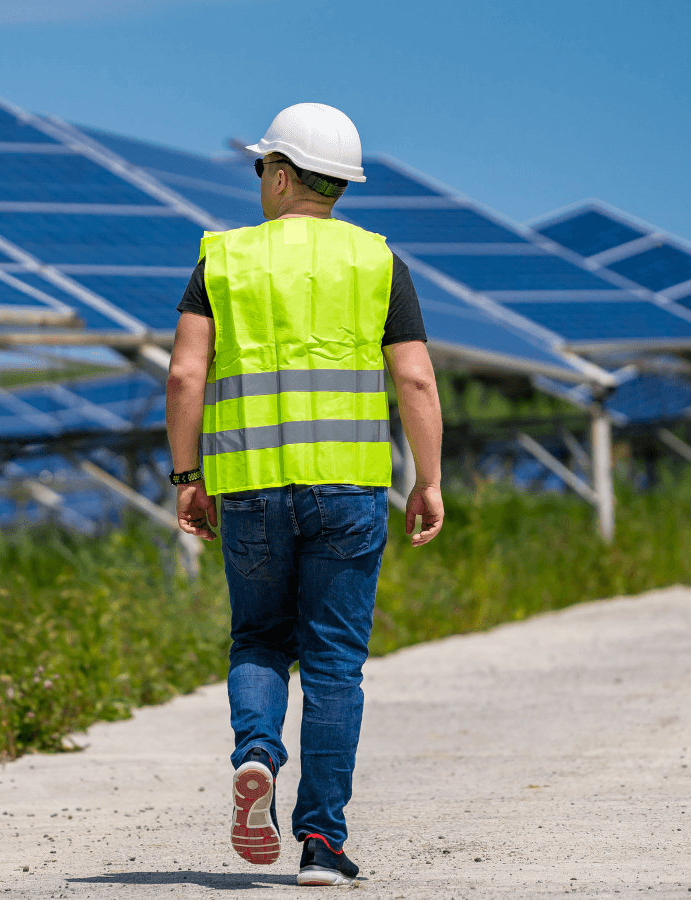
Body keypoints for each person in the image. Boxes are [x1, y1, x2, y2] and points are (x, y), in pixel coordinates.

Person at [165, 102, 445, 887]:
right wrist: (428, 479)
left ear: (281, 174)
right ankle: (321, 842)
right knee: (333, 665)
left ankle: (256, 754)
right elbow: (415, 376)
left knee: (259, 640)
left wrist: (188, 479)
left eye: (261, 168)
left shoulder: (221, 261)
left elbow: (187, 374)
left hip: (250, 488)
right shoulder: (377, 262)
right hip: (350, 491)